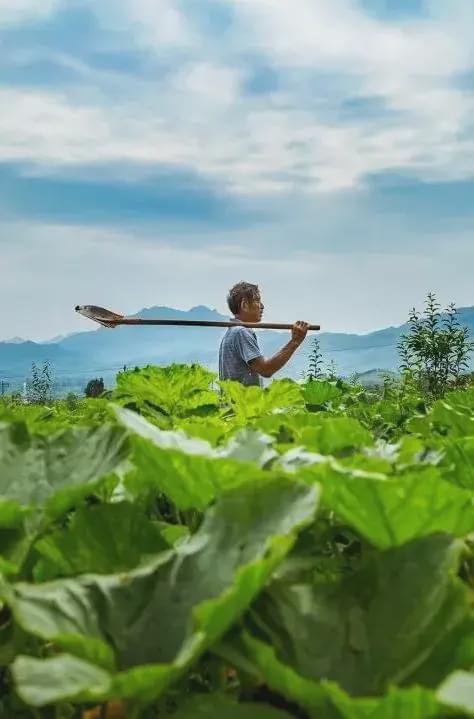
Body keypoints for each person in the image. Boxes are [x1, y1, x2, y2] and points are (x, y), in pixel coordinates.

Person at [218, 281, 309, 387]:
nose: (262, 306)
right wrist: (295, 342)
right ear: (245, 305)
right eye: (257, 300)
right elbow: (266, 370)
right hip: (243, 403)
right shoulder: (241, 332)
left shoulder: (232, 332)